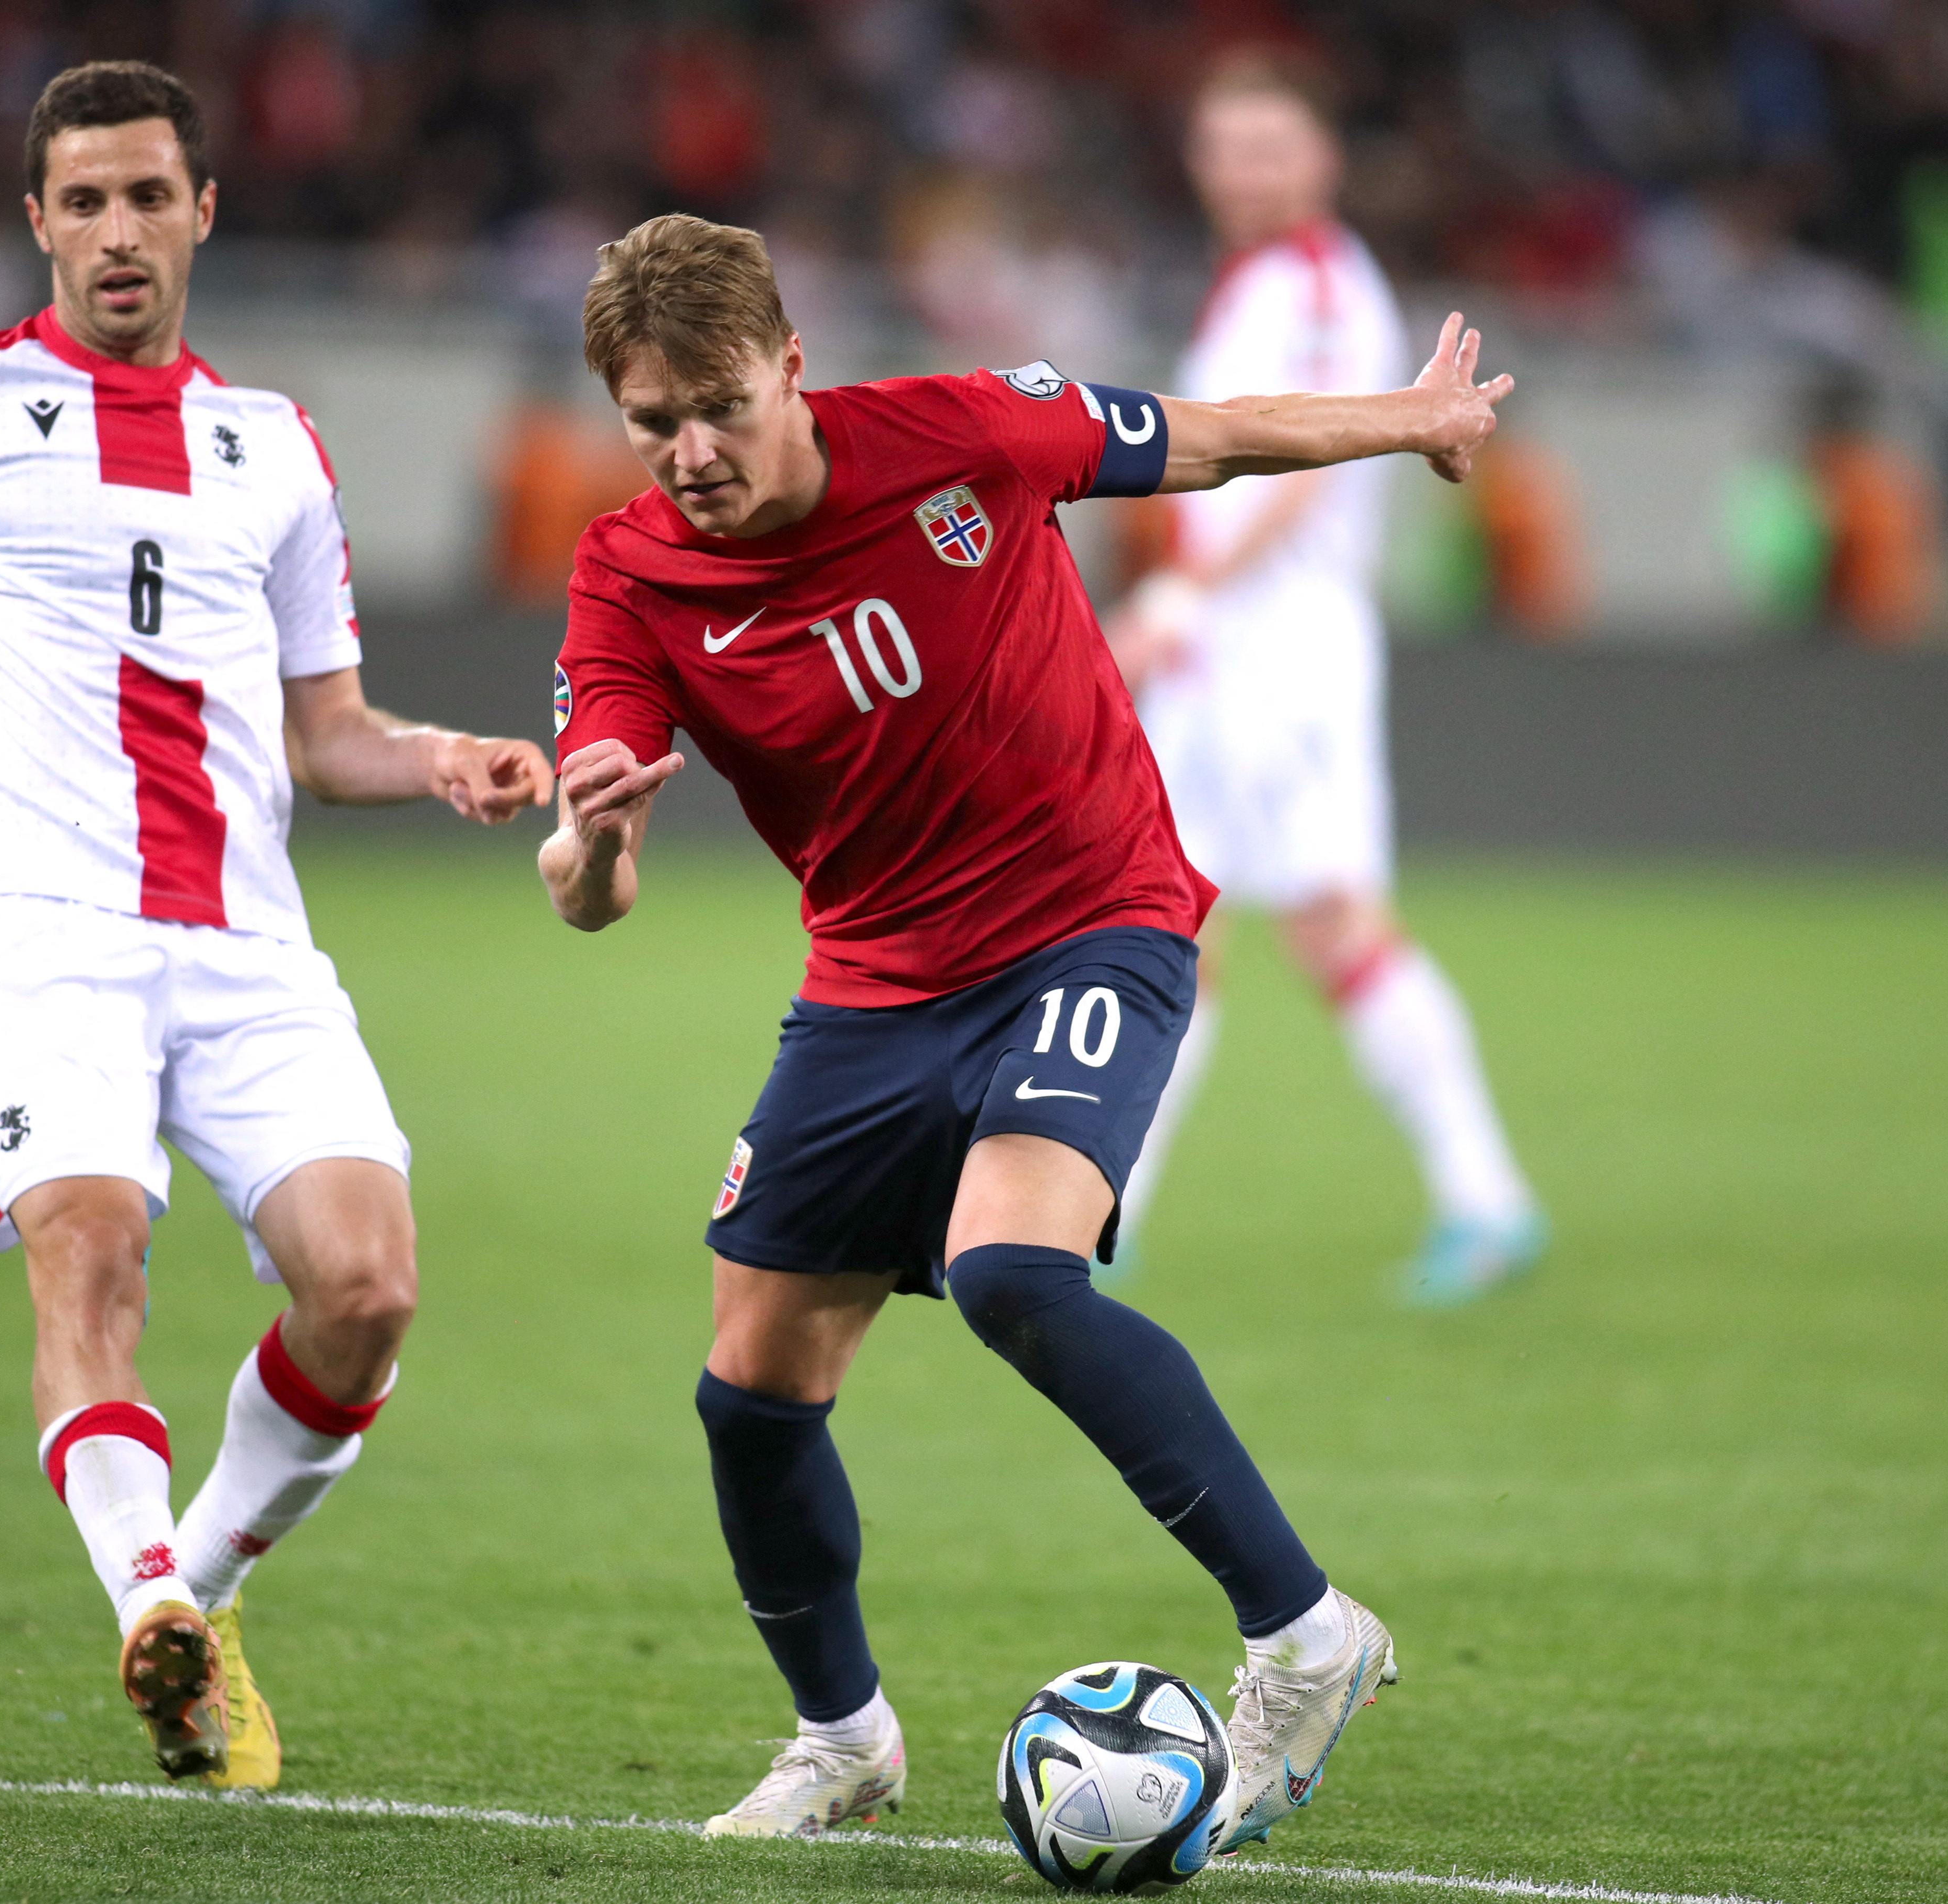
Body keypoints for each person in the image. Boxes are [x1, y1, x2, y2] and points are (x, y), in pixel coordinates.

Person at [539, 213, 1509, 1850]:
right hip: (868, 980)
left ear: (790, 364)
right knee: (753, 1390)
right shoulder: (627, 574)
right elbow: (586, 887)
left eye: (719, 403)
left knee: (1010, 1270)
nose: (692, 452)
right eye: (652, 422)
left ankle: (1304, 1633)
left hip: (1091, 916)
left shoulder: (961, 432)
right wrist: (602, 837)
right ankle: (840, 1740)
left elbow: (1197, 439)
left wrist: (1407, 419)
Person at [0, 62, 551, 1788]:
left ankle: (192, 1594)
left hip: (245, 938)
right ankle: (145, 1593)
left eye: (149, 195)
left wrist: (439, 760)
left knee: (368, 1282)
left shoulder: (272, 444)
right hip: (32, 921)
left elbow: (321, 727)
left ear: (206, 209)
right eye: (85, 200)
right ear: (35, 219)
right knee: (91, 1244)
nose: (118, 230)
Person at [1108, 53, 1544, 1306]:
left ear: (1320, 160)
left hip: (1280, 638)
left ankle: (1486, 1199)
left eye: (1267, 146)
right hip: (1225, 643)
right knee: (1168, 921)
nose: (1243, 171)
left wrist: (1189, 587)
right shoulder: (1261, 279)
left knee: (1329, 922)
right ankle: (1104, 1208)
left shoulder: (1311, 281)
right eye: (1223, 147)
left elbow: (1302, 467)